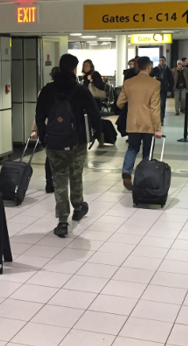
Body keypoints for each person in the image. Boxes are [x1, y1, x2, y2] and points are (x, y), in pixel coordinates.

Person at [35, 54, 101, 238]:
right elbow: (95, 114)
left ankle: (62, 221)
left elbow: (39, 115)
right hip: (76, 142)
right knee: (76, 174)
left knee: (59, 179)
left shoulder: (48, 90)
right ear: (74, 69)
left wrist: (44, 138)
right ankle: (78, 206)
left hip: (54, 142)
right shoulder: (80, 90)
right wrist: (96, 132)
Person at [116, 56, 162, 190]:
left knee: (132, 148)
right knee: (147, 153)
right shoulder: (154, 84)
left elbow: (119, 103)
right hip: (148, 124)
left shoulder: (129, 83)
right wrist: (157, 128)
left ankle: (126, 171)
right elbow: (154, 108)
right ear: (148, 67)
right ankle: (143, 177)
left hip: (133, 123)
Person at [31, 67, 60, 193]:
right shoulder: (64, 90)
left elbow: (39, 113)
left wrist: (34, 129)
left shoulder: (43, 91)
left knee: (50, 156)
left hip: (48, 128)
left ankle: (49, 182)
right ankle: (59, 181)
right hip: (61, 128)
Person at [150, 56, 174, 126]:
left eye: (162, 60)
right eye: (160, 60)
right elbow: (149, 77)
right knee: (154, 105)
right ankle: (155, 119)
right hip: (155, 89)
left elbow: (171, 81)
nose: (161, 62)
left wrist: (170, 90)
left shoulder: (168, 70)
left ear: (165, 61)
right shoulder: (155, 69)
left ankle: (161, 119)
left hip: (163, 89)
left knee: (162, 105)